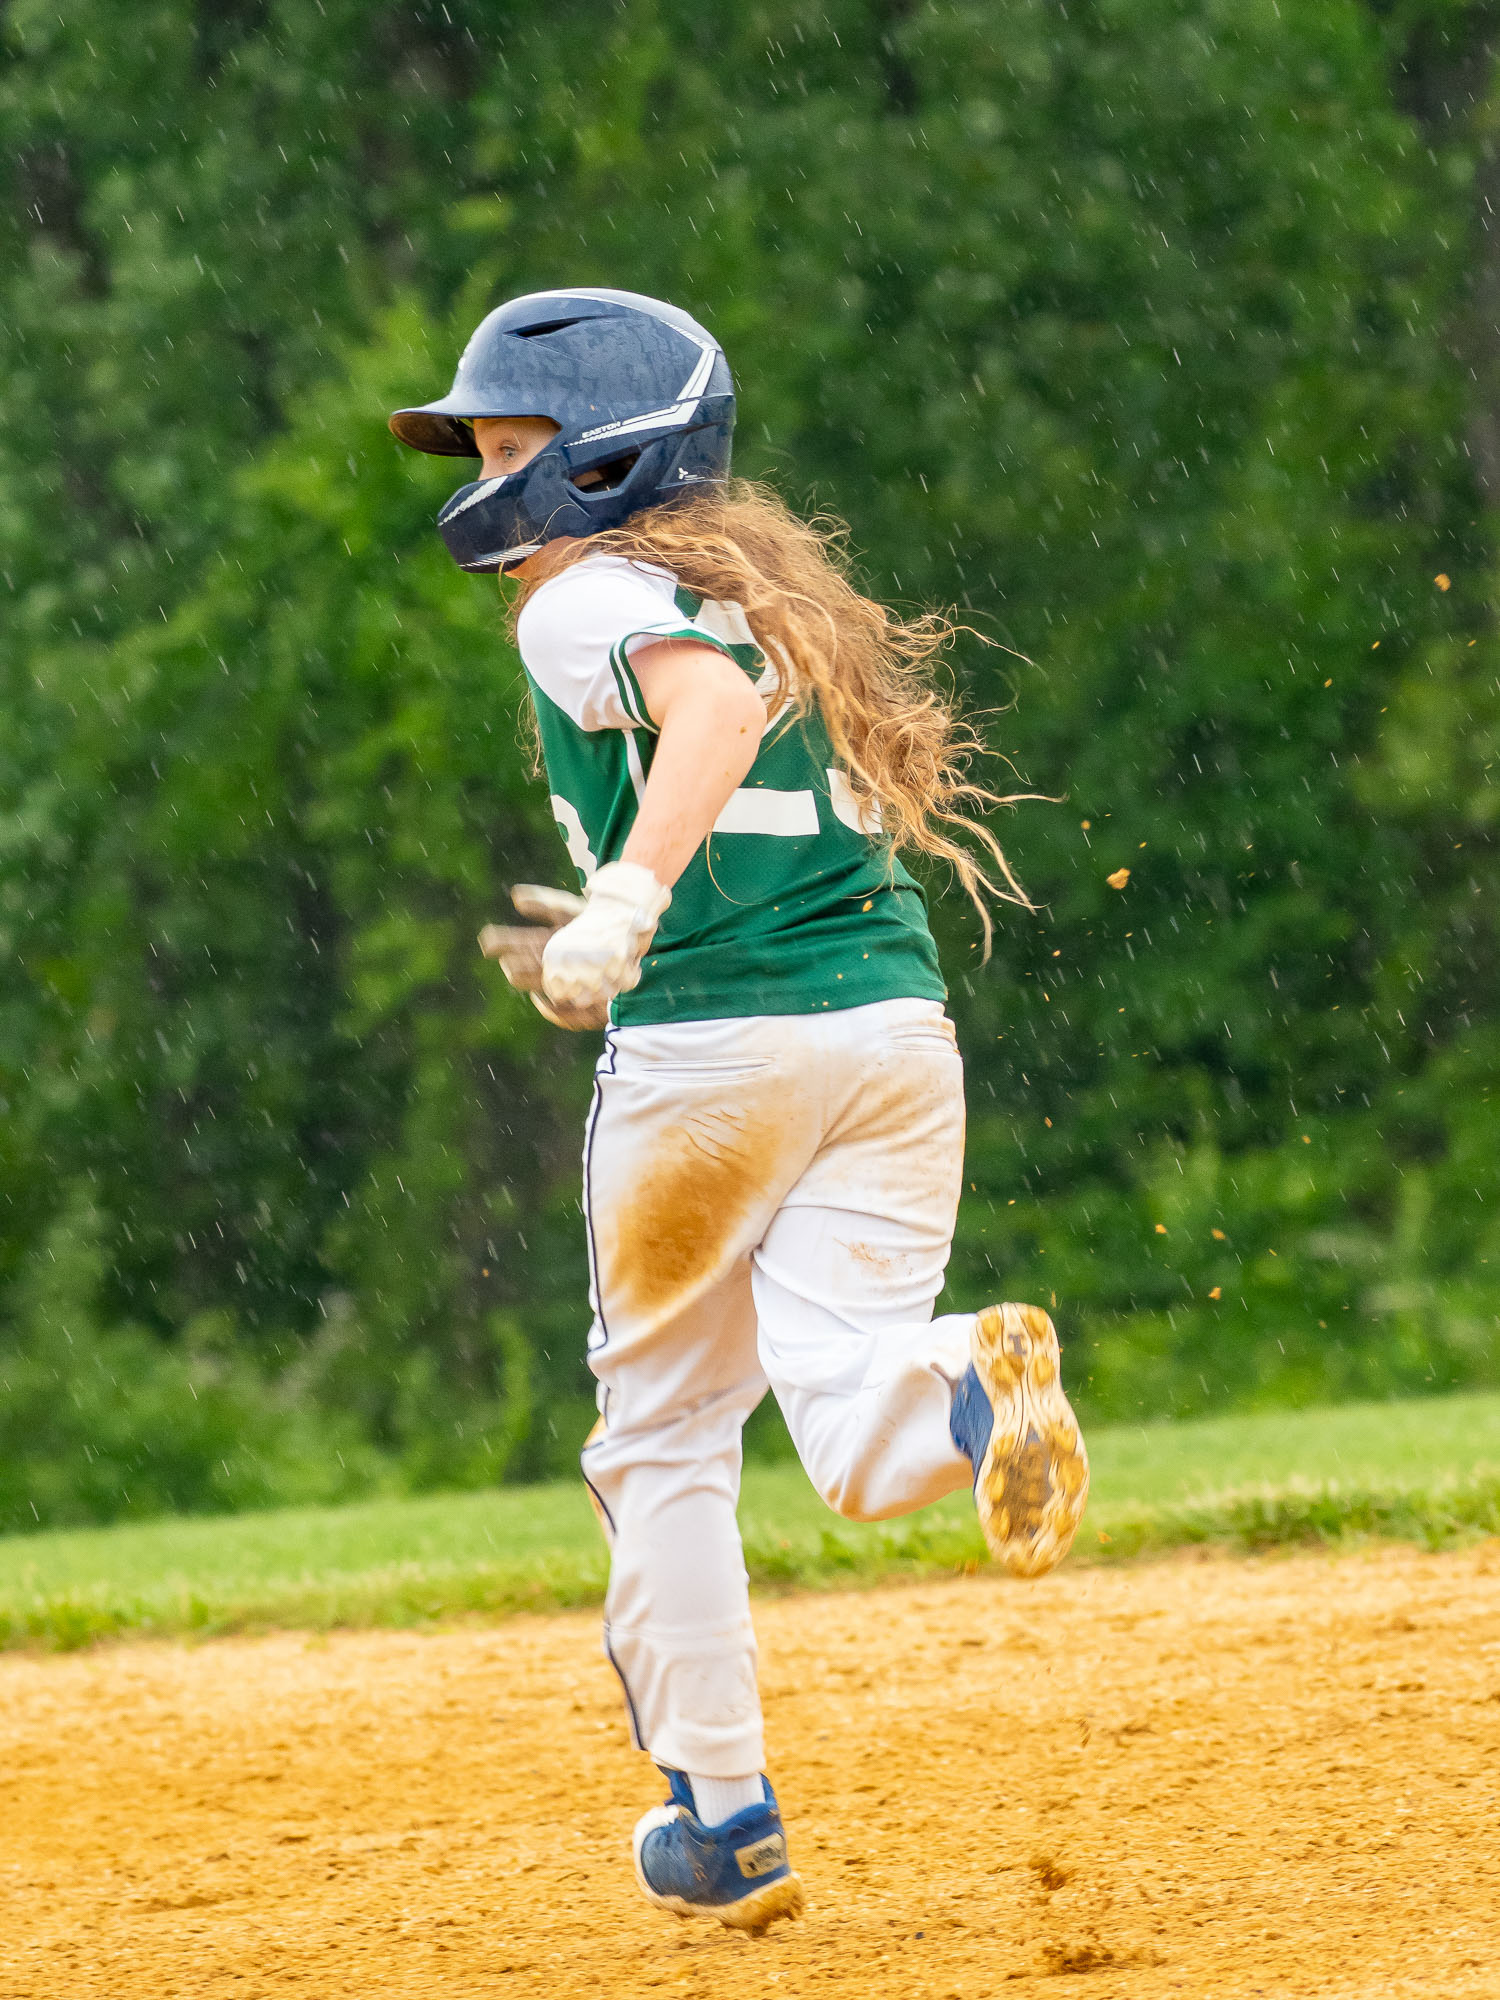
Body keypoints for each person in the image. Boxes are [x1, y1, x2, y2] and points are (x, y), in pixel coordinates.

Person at [389, 288, 1089, 1933]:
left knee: (663, 1443)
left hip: (711, 1062)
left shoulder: (590, 597)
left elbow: (700, 715)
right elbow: (740, 724)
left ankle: (723, 1818)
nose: (491, 480)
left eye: (514, 443)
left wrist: (623, 908)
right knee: (851, 1424)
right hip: (894, 1042)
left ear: (612, 457)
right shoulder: (762, 596)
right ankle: (972, 1379)